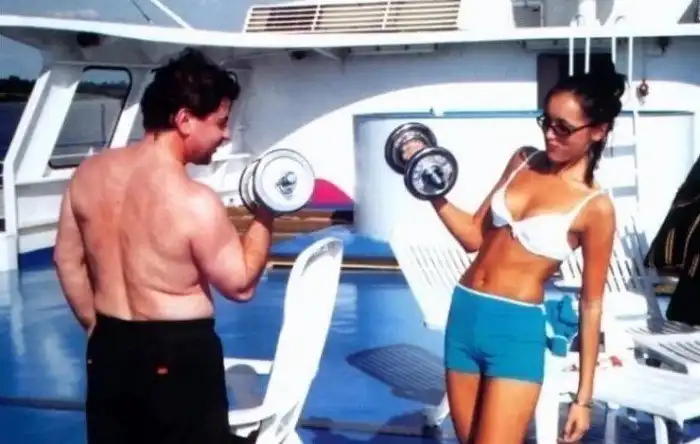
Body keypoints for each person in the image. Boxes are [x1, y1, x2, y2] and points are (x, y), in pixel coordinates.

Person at [53, 48, 272, 444]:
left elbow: (66, 260)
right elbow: (240, 286)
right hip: (178, 355)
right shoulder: (193, 200)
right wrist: (266, 214)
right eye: (220, 122)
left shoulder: (87, 173)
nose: (225, 135)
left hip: (109, 347)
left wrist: (95, 327)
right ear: (184, 120)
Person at [422, 67, 625, 443]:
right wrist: (429, 188)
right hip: (464, 313)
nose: (550, 134)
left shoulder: (596, 208)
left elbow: (591, 303)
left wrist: (583, 400)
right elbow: (473, 236)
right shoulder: (522, 161)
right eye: (546, 122)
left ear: (598, 131)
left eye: (563, 128)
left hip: (515, 333)